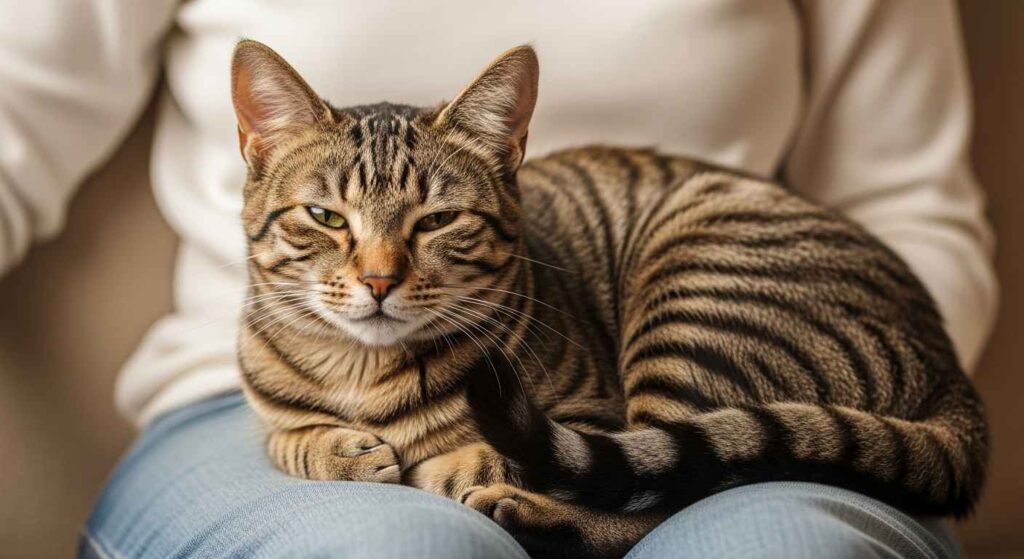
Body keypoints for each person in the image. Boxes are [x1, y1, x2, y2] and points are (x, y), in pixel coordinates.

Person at [0, 1, 996, 557]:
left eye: (429, 226)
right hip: (229, 404)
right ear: (260, 153)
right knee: (398, 557)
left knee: (785, 553)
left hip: (750, 342)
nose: (381, 271)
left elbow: (911, 200)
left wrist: (853, 393)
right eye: (331, 223)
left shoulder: (534, 308)